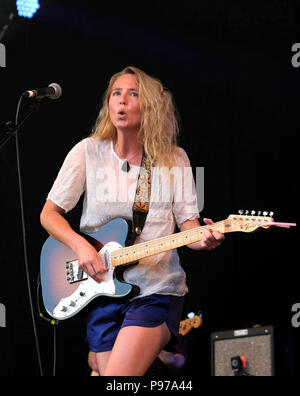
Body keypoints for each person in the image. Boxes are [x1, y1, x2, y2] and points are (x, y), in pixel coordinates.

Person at [40, 66, 224, 376]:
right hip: (102, 288)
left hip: (156, 288)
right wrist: (81, 247)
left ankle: (155, 346)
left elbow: (189, 227)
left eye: (133, 93)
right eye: (116, 93)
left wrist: (206, 238)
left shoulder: (174, 158)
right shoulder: (86, 152)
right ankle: (154, 355)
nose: (122, 100)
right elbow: (49, 214)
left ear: (150, 106)